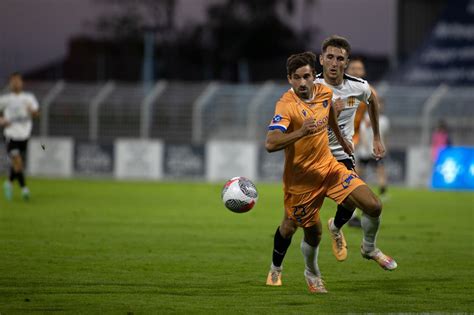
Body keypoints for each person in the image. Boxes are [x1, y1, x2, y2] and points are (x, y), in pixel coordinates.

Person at [265, 51, 396, 294]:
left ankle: (367, 247)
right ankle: (310, 273)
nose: (303, 83)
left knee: (373, 205)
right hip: (302, 181)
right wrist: (301, 132)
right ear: (289, 79)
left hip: (330, 168)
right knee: (310, 233)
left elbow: (329, 114)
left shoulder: (324, 92)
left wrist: (342, 140)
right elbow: (271, 143)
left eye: (306, 76)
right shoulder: (286, 105)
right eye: (297, 78)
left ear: (313, 76)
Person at [0, 73, 39, 200]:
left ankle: (9, 183)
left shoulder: (29, 98)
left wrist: (32, 111)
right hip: (11, 134)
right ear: (10, 83)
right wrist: (1, 120)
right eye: (13, 81)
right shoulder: (5, 99)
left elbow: (36, 113)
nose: (16, 83)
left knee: (17, 164)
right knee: (17, 161)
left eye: (18, 81)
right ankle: (24, 189)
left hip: (24, 134)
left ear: (22, 83)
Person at [356, 100, 390, 200]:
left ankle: (383, 193)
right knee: (359, 172)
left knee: (381, 171)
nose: (379, 107)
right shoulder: (365, 117)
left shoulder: (384, 120)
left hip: (377, 151)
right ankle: (353, 190)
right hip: (365, 150)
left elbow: (385, 136)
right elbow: (361, 132)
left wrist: (385, 147)